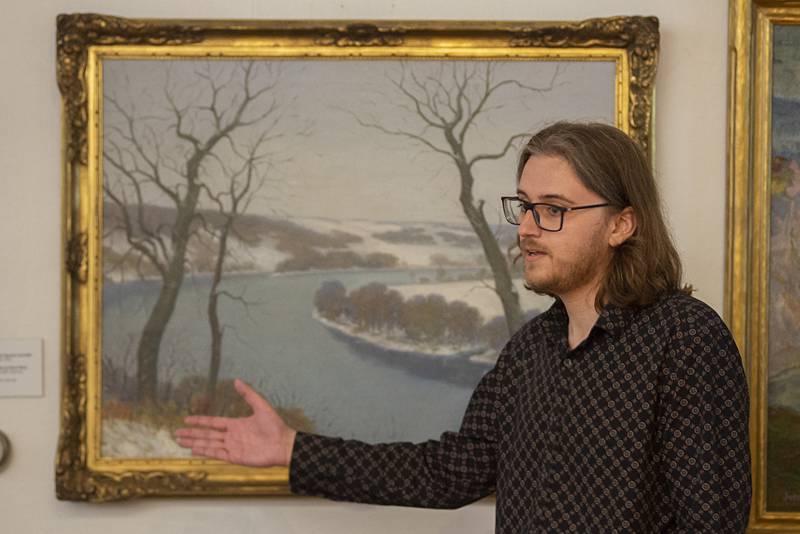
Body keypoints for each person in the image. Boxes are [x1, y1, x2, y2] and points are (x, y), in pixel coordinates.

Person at [175, 121, 752, 532]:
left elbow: (713, 524)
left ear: (622, 223)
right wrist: (292, 450)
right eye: (523, 205)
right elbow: (447, 473)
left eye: (552, 209)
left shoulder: (684, 337)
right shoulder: (530, 350)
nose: (526, 227)